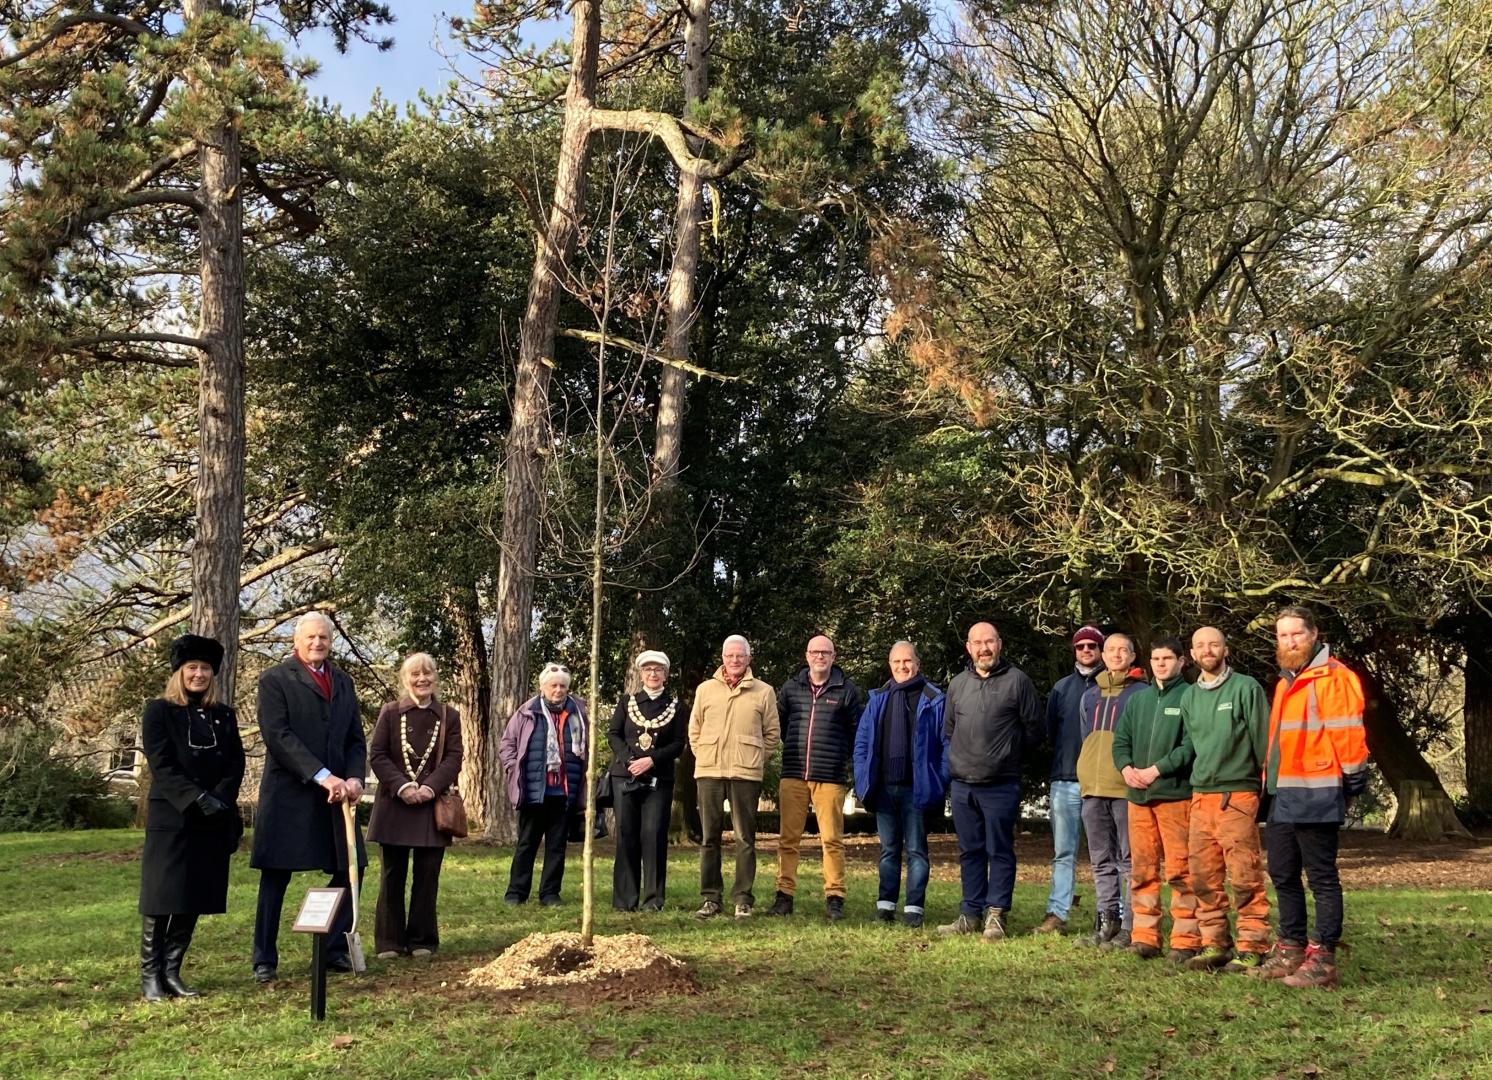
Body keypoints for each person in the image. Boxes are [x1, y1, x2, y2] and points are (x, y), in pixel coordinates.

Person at [1252, 606, 1368, 989]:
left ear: (1314, 634)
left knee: (1320, 876)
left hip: (1318, 791)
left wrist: (1351, 783)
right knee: (1282, 872)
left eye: (1295, 634)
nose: (1289, 642)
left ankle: (1323, 958)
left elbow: (1348, 734)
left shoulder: (1335, 677)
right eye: (1282, 636)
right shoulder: (1286, 681)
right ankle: (1291, 948)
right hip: (1284, 792)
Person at [250, 612, 367, 984]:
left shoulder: (343, 682)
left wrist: (353, 777)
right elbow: (278, 735)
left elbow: (354, 738)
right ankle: (264, 959)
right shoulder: (275, 680)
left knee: (351, 868)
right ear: (296, 641)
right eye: (311, 637)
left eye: (324, 638)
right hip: (290, 795)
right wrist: (322, 776)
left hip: (336, 797)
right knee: (276, 876)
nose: (318, 643)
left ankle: (333, 947)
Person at [137, 634, 245, 1001]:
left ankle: (172, 969)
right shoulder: (159, 711)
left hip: (212, 817)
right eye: (192, 668)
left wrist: (219, 798)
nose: (199, 674)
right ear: (179, 672)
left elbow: (235, 762)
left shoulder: (224, 716)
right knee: (162, 895)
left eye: (205, 669)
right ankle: (150, 974)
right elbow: (161, 764)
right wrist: (195, 797)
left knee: (194, 895)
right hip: (174, 815)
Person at [938, 622, 1041, 941]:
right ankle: (970, 913)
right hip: (963, 784)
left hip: (1000, 784)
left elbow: (1034, 731)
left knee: (999, 850)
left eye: (990, 642)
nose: (984, 648)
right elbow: (950, 730)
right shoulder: (957, 684)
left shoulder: (1018, 681)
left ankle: (996, 915)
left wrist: (1006, 756)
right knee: (970, 851)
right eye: (977, 642)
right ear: (968, 648)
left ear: (1000, 644)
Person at [1179, 625, 1271, 973]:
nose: (1207, 650)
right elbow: (1192, 746)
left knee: (1244, 874)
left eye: (1214, 644)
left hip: (1238, 794)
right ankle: (1214, 942)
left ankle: (1252, 944)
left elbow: (1263, 742)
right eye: (1200, 645)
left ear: (1225, 649)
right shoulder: (1189, 697)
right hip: (1201, 796)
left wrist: (1267, 791)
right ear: (1192, 654)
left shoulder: (1245, 688)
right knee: (1202, 876)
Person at [366, 653, 462, 959]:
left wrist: (429, 788)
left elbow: (454, 758)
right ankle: (389, 941)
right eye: (415, 675)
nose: (422, 680)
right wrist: (403, 786)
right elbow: (378, 754)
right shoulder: (390, 712)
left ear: (436, 678)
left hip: (431, 807)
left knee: (427, 875)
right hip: (394, 805)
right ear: (404, 679)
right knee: (392, 875)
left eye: (428, 674)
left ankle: (423, 939)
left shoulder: (450, 715)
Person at [1111, 637, 1198, 963]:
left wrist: (1157, 770)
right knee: (1143, 870)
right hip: (1138, 798)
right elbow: (1121, 742)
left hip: (1174, 795)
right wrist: (1127, 768)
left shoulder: (1189, 696)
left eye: (1167, 658)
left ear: (1180, 662)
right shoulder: (1139, 700)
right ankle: (1145, 936)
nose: (1161, 663)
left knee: (1180, 870)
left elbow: (1190, 746)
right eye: (1156, 658)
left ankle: (1185, 938)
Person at [768, 635, 864, 922]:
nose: (819, 656)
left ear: (833, 656)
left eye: (825, 652)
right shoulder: (790, 688)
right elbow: (779, 725)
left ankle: (835, 897)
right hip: (793, 773)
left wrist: (841, 759)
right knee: (788, 839)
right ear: (806, 655)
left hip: (830, 776)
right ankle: (784, 896)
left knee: (832, 840)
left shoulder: (846, 691)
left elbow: (856, 733)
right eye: (814, 652)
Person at [853, 640, 947, 928]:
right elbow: (862, 744)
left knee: (917, 850)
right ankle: (885, 907)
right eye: (896, 662)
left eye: (907, 661)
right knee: (888, 850)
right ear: (889, 664)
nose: (902, 667)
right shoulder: (877, 699)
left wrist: (939, 780)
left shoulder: (934, 698)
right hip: (884, 790)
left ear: (917, 664)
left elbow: (947, 744)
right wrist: (863, 779)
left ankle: (914, 909)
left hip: (917, 789)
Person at [689, 634, 780, 919]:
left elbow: (772, 735)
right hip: (709, 772)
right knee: (709, 838)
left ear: (749, 659)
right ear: (723, 659)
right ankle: (710, 899)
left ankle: (743, 898)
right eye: (730, 656)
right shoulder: (705, 690)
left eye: (740, 655)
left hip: (746, 775)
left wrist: (752, 758)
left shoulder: (764, 691)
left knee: (744, 838)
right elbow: (695, 730)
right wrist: (705, 754)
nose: (735, 660)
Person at [1076, 632, 1147, 949]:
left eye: (1124, 650)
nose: (1117, 654)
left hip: (1125, 790)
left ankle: (1131, 927)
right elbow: (1085, 737)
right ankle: (1107, 921)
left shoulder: (1142, 694)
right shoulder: (1090, 695)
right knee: (1100, 860)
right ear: (1102, 655)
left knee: (1130, 861)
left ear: (1133, 656)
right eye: (1111, 649)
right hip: (1093, 788)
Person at [498, 662, 588, 906]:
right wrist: (512, 768)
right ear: (543, 687)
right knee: (527, 843)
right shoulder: (527, 711)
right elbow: (507, 744)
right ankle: (516, 893)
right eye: (553, 686)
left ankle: (550, 893)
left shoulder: (578, 713)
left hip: (564, 791)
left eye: (562, 686)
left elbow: (585, 751)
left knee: (557, 846)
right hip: (534, 790)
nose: (558, 690)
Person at [1036, 626, 1105, 935]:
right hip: (1065, 779)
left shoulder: (1112, 686)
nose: (1086, 650)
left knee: (1107, 854)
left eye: (1092, 645)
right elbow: (1050, 731)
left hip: (1103, 783)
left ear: (1101, 649)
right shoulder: (1061, 689)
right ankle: (1057, 912)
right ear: (1074, 651)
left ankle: (1109, 914)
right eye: (1080, 646)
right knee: (1063, 852)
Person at [608, 650, 685, 912]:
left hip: (658, 779)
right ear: (641, 674)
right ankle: (624, 900)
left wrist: (651, 760)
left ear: (666, 674)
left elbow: (678, 743)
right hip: (625, 777)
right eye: (648, 669)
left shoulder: (675, 706)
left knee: (653, 836)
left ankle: (653, 899)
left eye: (658, 670)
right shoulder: (626, 702)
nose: (653, 674)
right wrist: (631, 760)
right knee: (627, 835)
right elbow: (614, 734)